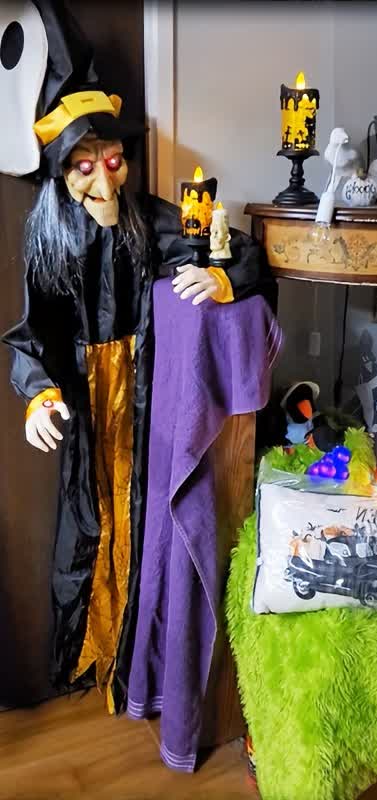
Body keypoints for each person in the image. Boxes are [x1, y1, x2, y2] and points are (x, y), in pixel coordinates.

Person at [1, 0, 274, 712]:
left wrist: (220, 276)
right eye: (83, 168)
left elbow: (238, 251)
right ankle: (95, 651)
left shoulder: (151, 220)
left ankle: (140, 659)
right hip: (86, 394)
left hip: (148, 388)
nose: (102, 183)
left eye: (112, 162)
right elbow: (32, 331)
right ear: (61, 174)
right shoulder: (48, 238)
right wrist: (38, 392)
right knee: (92, 518)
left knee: (146, 512)